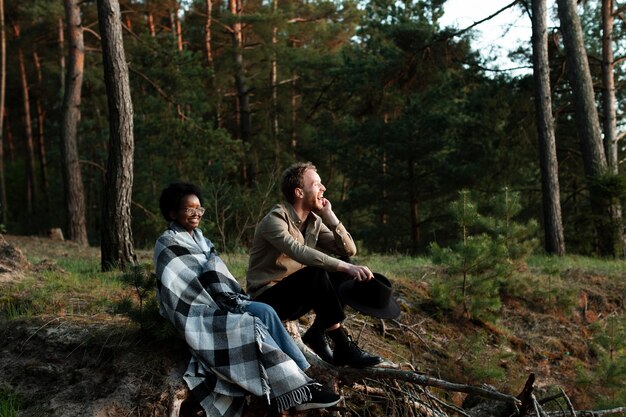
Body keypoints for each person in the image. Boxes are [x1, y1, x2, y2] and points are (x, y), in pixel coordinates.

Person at [154, 183, 341, 417]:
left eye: (199, 209)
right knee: (250, 326)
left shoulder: (202, 240)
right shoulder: (167, 243)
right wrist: (213, 294)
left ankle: (303, 377)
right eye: (189, 210)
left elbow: (217, 272)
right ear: (172, 213)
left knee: (264, 311)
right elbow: (178, 289)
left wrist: (222, 287)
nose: (196, 214)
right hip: (197, 311)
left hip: (224, 299)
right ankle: (300, 389)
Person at [246, 162, 383, 368]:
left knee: (345, 268)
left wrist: (330, 217)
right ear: (299, 192)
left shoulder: (314, 222)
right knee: (317, 272)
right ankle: (341, 343)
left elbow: (348, 250)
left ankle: (317, 333)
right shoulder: (275, 220)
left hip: (297, 295)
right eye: (317, 184)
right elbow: (299, 252)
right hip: (267, 300)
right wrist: (344, 266)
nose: (323, 189)